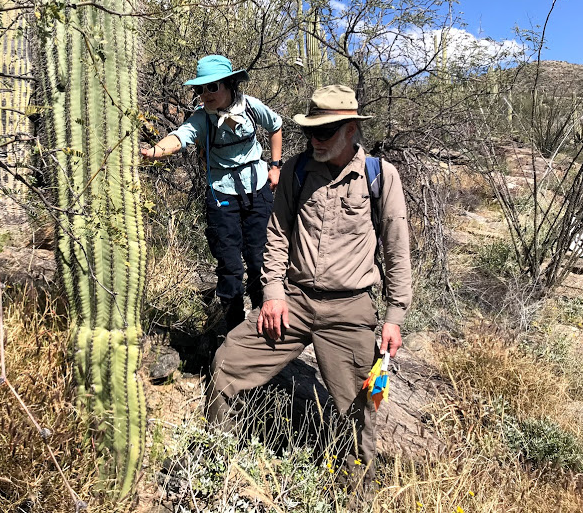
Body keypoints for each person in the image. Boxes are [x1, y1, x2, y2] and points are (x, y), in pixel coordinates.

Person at [207, 84, 412, 482]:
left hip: (350, 309)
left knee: (358, 409)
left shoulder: (380, 177)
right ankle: (217, 468)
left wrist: (394, 316)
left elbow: (396, 248)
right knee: (226, 363)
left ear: (351, 129)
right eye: (310, 132)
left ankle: (353, 495)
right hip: (294, 301)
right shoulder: (298, 171)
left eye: (324, 132)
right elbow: (277, 234)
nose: (314, 140)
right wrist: (272, 293)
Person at [141, 55, 283, 332]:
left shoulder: (251, 107)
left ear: (230, 85)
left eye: (212, 87)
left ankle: (260, 324)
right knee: (230, 265)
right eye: (200, 89)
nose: (206, 94)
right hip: (222, 195)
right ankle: (232, 329)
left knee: (259, 260)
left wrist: (275, 167)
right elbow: (181, 136)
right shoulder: (201, 118)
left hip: (257, 190)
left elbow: (275, 125)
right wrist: (156, 151)